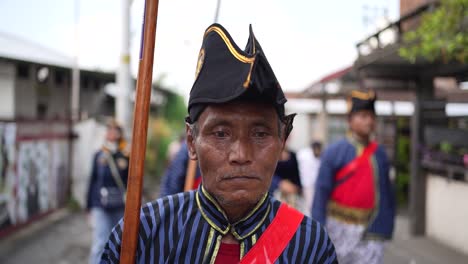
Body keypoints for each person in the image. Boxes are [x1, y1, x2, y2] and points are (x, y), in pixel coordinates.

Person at [100, 23, 337, 263]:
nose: (241, 154)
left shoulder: (311, 246)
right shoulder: (142, 234)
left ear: (282, 140)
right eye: (221, 134)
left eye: (260, 134)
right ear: (191, 142)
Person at [312, 90, 395, 264]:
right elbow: (321, 192)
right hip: (338, 227)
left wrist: (387, 225)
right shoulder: (334, 152)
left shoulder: (380, 153)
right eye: (363, 116)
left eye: (372, 116)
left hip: (371, 228)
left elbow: (387, 194)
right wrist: (318, 229)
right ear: (349, 121)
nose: (369, 121)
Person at [86, 120, 129, 264]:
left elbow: (131, 182)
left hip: (119, 206)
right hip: (101, 205)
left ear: (120, 134)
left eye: (115, 130)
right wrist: (89, 207)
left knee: (118, 244)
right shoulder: (99, 155)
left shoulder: (126, 156)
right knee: (100, 243)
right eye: (109, 129)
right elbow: (92, 180)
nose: (111, 133)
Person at [297, 141, 322, 216]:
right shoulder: (303, 155)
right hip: (305, 184)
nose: (318, 152)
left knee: (310, 205)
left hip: (314, 185)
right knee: (307, 206)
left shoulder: (319, 157)